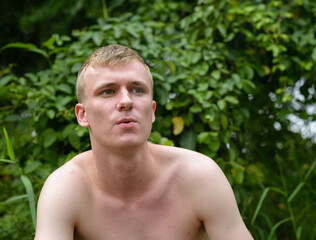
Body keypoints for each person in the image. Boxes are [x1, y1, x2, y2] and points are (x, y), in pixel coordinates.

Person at [35, 44, 253, 240]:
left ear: (152, 110)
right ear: (83, 115)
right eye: (108, 91)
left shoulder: (199, 176)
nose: (126, 101)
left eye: (137, 90)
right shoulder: (66, 188)